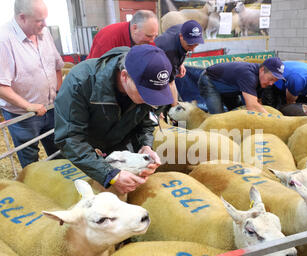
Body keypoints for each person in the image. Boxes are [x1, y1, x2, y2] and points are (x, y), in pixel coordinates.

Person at [54, 45, 174, 194]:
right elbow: (70, 137)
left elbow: (146, 123)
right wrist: (109, 174)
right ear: (124, 76)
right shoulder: (81, 81)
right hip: (84, 154)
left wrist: (145, 147)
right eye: (145, 92)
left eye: (155, 94)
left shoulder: (149, 88)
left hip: (119, 148)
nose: (149, 99)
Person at [0, 0, 64, 168]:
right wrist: (28, 106)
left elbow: (57, 65)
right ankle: (34, 187)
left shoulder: (45, 33)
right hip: (22, 115)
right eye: (39, 20)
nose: (45, 24)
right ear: (22, 17)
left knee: (59, 149)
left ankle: (61, 183)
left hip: (51, 107)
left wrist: (59, 92)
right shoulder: (1, 40)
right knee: (30, 157)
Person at [197, 57, 285, 114]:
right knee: (218, 117)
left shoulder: (261, 79)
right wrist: (272, 119)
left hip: (231, 88)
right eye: (271, 79)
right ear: (262, 70)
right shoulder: (248, 75)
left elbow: (257, 102)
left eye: (275, 81)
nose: (271, 83)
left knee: (237, 111)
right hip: (209, 81)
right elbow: (252, 106)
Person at [154, 20, 204, 107]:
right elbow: (170, 84)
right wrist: (175, 110)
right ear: (181, 36)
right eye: (189, 45)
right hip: (152, 67)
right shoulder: (170, 52)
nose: (192, 50)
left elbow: (183, 48)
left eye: (196, 45)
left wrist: (180, 63)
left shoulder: (184, 28)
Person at [86, 10, 158, 59]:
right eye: (148, 36)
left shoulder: (147, 41)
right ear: (135, 28)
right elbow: (98, 72)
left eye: (155, 36)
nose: (152, 41)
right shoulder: (108, 37)